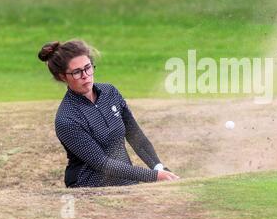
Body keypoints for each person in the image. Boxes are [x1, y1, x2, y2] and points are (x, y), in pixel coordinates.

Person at [38, 39, 179, 188]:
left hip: (127, 182)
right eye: (77, 72)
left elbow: (135, 135)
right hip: (88, 189)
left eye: (88, 67)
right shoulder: (67, 119)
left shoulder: (109, 92)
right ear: (62, 76)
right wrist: (153, 176)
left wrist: (158, 167)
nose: (85, 75)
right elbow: (102, 163)